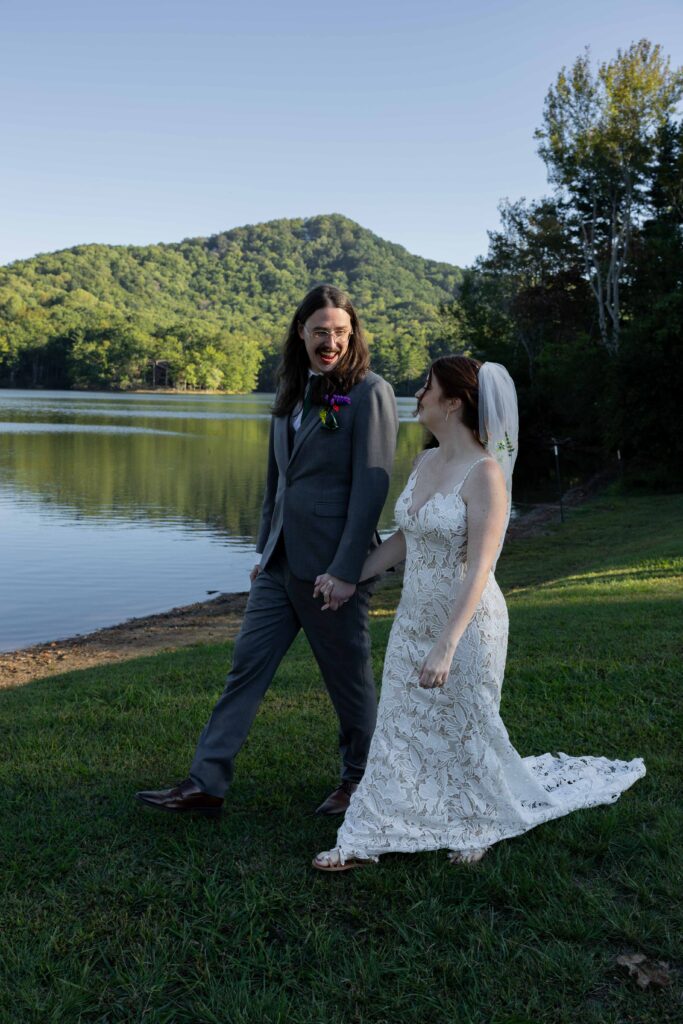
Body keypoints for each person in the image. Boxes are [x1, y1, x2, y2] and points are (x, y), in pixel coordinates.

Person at [313, 355, 645, 870]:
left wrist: (447, 643)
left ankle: (479, 820)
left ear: (453, 402)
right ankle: (369, 832)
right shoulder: (425, 463)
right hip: (413, 617)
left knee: (468, 725)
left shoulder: (485, 473)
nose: (418, 395)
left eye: (427, 387)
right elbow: (407, 537)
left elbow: (480, 568)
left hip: (467, 624)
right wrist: (348, 576)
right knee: (400, 726)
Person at [136, 285, 398, 818]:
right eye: (320, 331)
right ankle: (206, 782)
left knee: (348, 685)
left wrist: (347, 570)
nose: (330, 342)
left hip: (333, 573)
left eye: (340, 332)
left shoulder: (371, 392)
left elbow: (371, 489)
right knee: (244, 671)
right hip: (279, 567)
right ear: (300, 332)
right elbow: (276, 482)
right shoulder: (289, 392)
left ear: (353, 336)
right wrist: (263, 552)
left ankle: (361, 781)